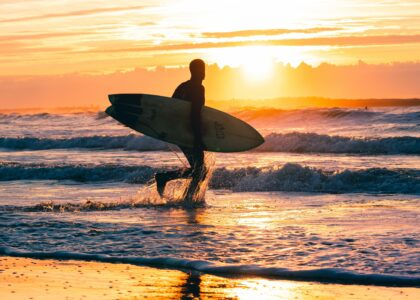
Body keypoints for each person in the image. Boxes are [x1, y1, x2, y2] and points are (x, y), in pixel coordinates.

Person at [154, 59, 207, 202]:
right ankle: (188, 199)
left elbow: (170, 108)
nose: (204, 73)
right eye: (202, 69)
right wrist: (197, 137)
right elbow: (195, 114)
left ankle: (168, 180)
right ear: (196, 71)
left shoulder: (182, 87)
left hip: (179, 132)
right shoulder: (198, 88)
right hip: (189, 134)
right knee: (200, 171)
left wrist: (168, 130)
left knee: (199, 170)